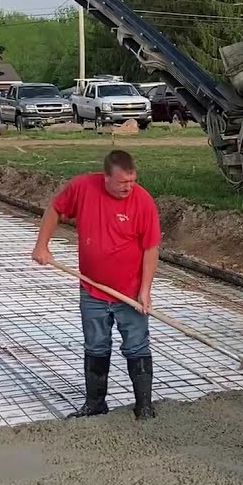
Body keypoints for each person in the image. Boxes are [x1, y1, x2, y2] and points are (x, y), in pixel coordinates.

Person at [32, 149, 161, 420]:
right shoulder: (82, 187)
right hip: (93, 290)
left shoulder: (143, 201)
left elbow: (151, 248)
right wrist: (42, 245)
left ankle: (144, 407)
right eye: (122, 183)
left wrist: (145, 290)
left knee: (136, 345)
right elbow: (55, 209)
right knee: (95, 345)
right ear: (105, 178)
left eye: (132, 181)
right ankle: (95, 404)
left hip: (129, 293)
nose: (129, 187)